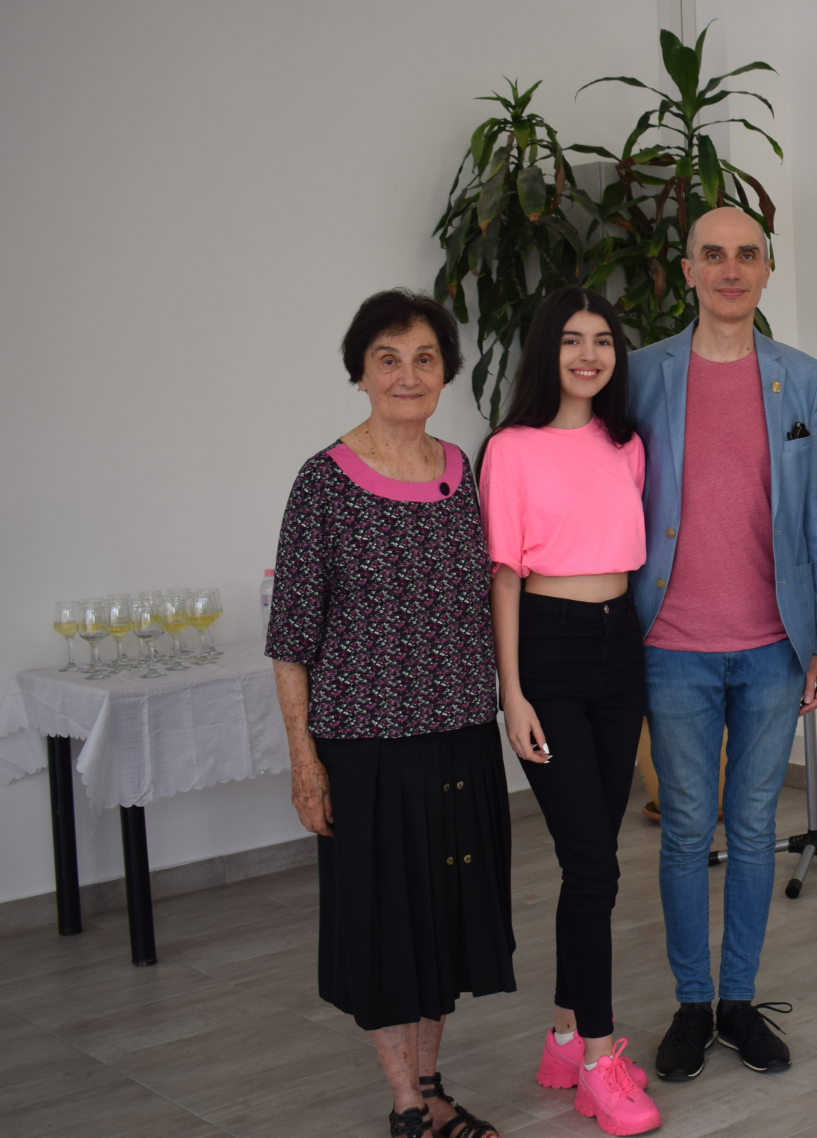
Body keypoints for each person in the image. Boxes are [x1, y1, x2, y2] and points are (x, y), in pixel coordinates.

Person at [268, 290, 511, 1138]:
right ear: (361, 372)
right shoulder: (323, 481)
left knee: (446, 922)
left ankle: (435, 1087)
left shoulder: (461, 469)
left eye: (425, 358)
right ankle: (406, 1102)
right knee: (384, 930)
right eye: (388, 358)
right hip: (365, 749)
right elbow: (290, 639)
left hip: (460, 736)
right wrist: (305, 761)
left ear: (445, 372)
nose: (408, 375)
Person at [628, 206, 817, 1082]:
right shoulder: (642, 372)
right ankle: (691, 1002)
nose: (729, 268)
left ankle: (739, 1001)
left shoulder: (803, 377)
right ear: (687, 270)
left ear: (765, 269)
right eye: (712, 254)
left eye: (746, 254)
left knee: (754, 828)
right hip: (671, 643)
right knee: (686, 828)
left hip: (772, 646)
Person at [480, 287, 658, 1135]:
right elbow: (504, 577)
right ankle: (596, 1060)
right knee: (593, 866)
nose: (589, 356)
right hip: (546, 654)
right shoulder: (509, 449)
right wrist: (511, 693)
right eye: (572, 340)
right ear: (546, 350)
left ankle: (560, 1038)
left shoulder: (626, 444)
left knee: (594, 858)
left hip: (621, 647)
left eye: (603, 341)